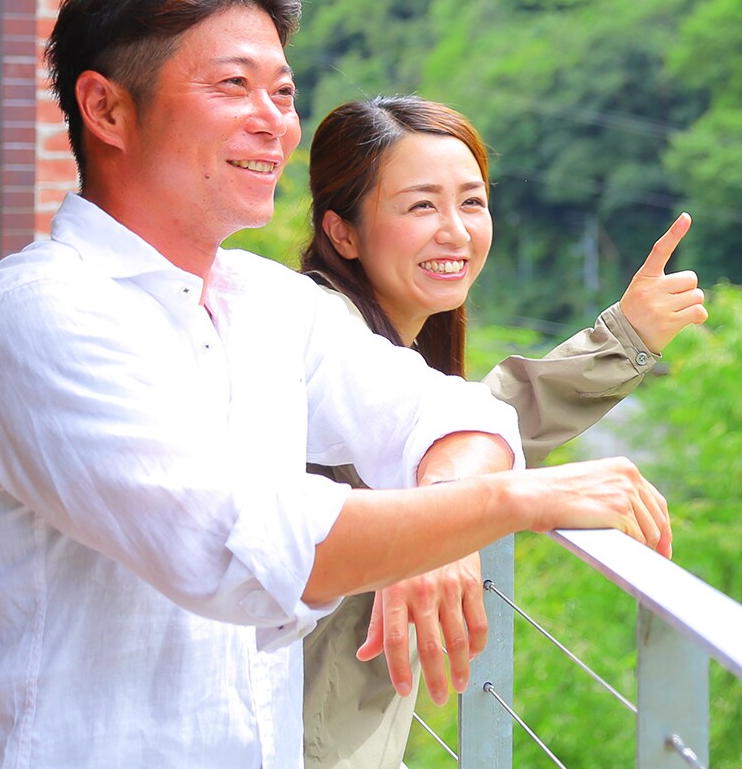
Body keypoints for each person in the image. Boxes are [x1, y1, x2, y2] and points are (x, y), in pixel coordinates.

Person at [0, 0, 672, 768]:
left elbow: (453, 413)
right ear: (106, 109)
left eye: (282, 93)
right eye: (232, 85)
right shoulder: (39, 317)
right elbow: (237, 549)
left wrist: (441, 523)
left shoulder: (268, 302)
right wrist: (508, 504)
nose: (273, 125)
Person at [296, 96, 708, 768]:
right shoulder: (319, 330)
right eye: (420, 205)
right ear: (344, 231)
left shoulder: (389, 344)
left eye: (472, 202)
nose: (455, 230)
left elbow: (477, 422)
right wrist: (440, 519)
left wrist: (624, 338)